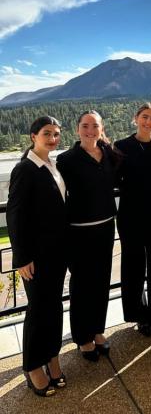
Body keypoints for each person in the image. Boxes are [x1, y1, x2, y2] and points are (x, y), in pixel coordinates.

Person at [6, 116, 67, 397]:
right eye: (47, 134)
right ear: (33, 136)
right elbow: (15, 215)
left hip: (57, 253)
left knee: (53, 308)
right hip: (36, 257)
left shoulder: (52, 165)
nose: (53, 139)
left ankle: (52, 356)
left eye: (56, 134)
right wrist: (21, 258)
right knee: (38, 310)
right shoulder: (25, 169)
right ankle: (32, 366)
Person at [57, 110, 118, 361]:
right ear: (77, 129)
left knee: (102, 280)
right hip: (79, 230)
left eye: (95, 126)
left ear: (102, 129)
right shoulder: (65, 160)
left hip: (106, 226)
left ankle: (98, 330)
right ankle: (83, 337)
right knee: (82, 284)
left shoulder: (110, 155)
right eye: (85, 126)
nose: (90, 130)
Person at [114, 103, 151, 340]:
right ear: (135, 118)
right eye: (145, 117)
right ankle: (139, 316)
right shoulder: (122, 147)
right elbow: (113, 179)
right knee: (134, 268)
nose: (148, 122)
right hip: (131, 216)